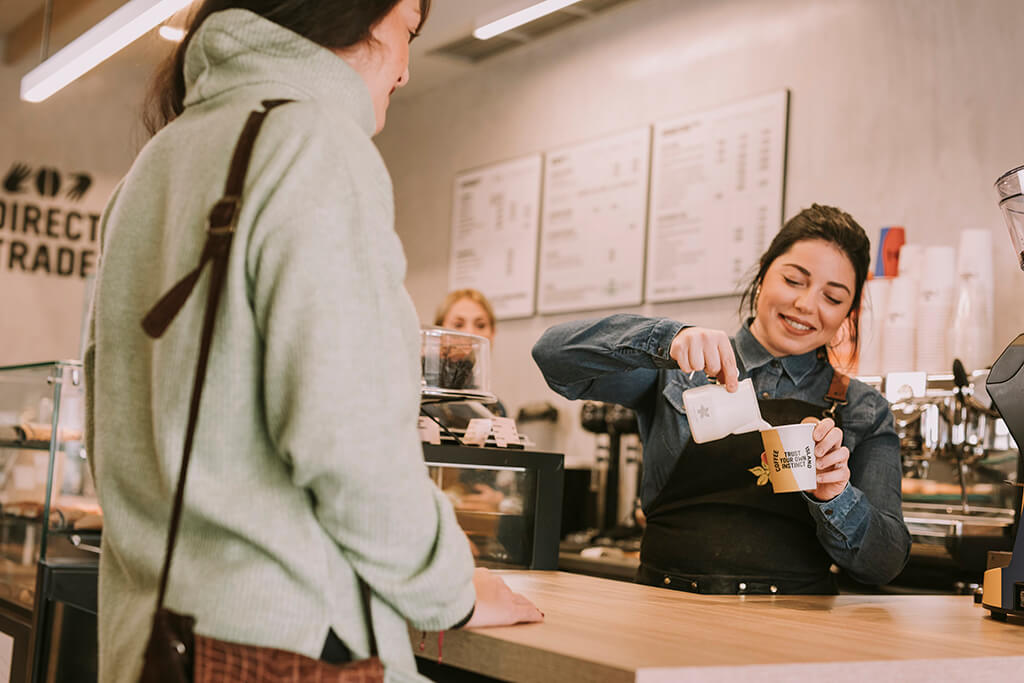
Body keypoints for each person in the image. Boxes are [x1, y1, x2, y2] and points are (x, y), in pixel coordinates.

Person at [84, 2, 540, 681]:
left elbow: (112, 421)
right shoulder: (315, 144)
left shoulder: (156, 162)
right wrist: (451, 589)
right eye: (408, 31)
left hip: (151, 642)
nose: (408, 69)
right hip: (282, 645)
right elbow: (352, 445)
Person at [533, 204, 910, 595]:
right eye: (795, 280)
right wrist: (665, 338)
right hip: (665, 612)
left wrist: (837, 495)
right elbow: (552, 357)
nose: (806, 305)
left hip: (796, 629)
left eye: (832, 298)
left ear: (849, 312)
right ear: (763, 274)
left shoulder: (864, 409)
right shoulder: (681, 366)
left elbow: (884, 563)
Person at [433, 288, 507, 416]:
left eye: (480, 325)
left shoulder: (496, 409)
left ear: (493, 333)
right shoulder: (421, 401)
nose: (470, 333)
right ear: (439, 332)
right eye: (458, 324)